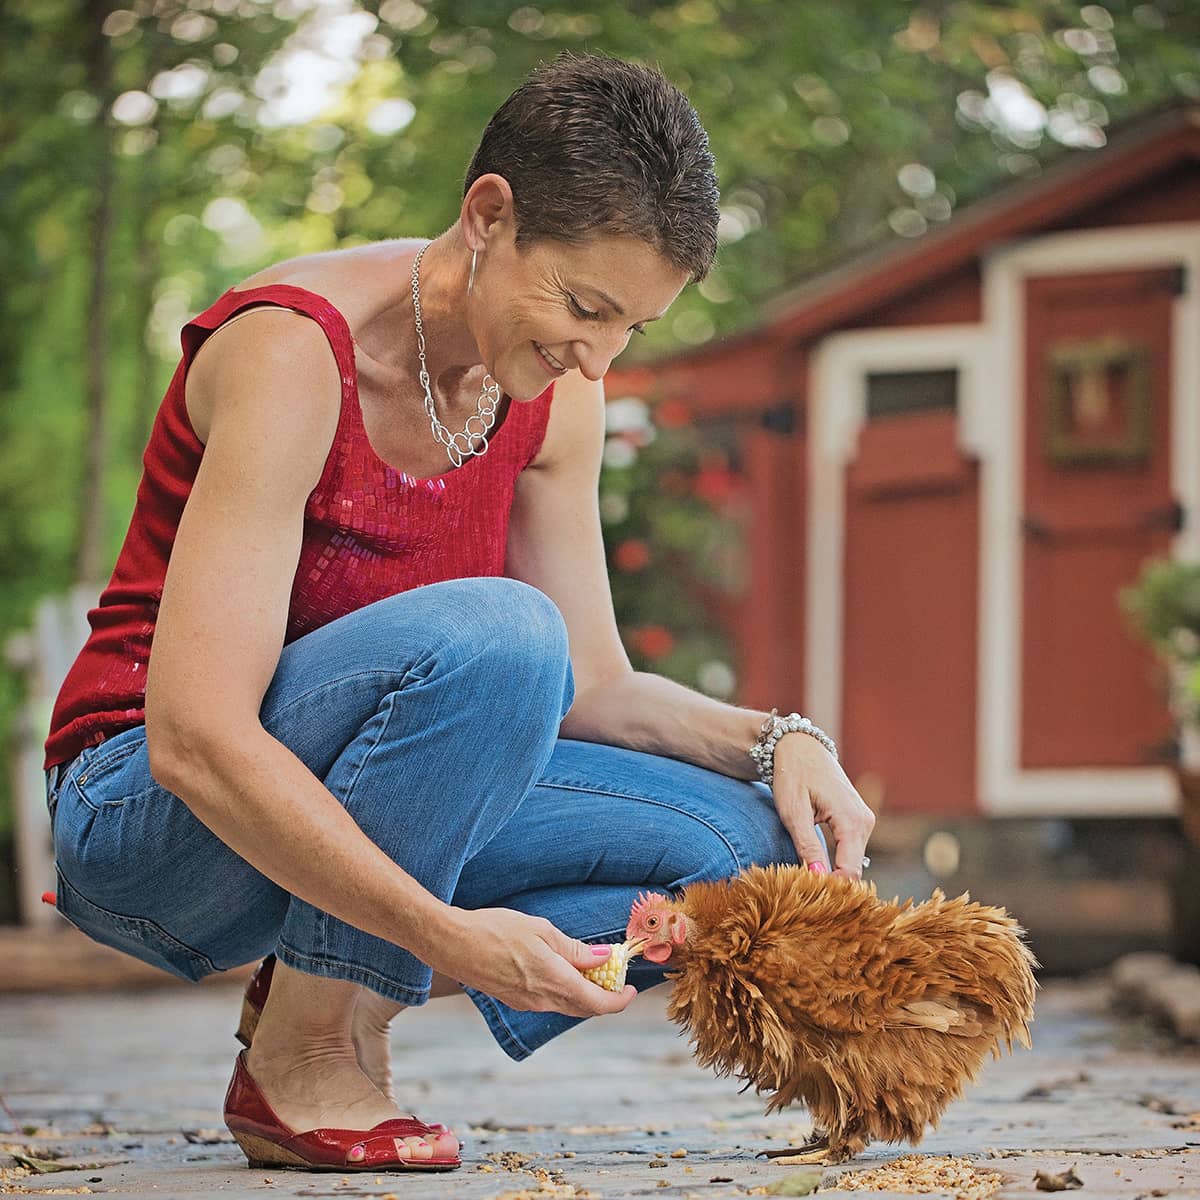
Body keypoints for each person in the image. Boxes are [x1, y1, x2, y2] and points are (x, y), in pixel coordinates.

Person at [42, 53, 876, 1173]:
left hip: (342, 816)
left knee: (744, 850)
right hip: (147, 819)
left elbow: (591, 686)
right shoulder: (294, 354)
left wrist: (781, 740)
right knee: (499, 634)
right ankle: (311, 1051)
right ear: (490, 216)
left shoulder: (555, 397)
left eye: (633, 326)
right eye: (584, 306)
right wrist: (446, 940)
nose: (598, 355)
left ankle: (317, 983)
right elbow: (196, 738)